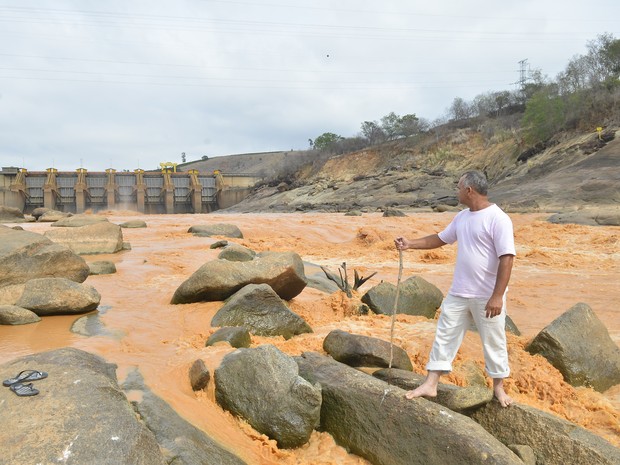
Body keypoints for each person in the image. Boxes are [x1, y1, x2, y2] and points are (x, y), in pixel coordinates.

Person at [394, 170, 516, 407]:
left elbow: (507, 258)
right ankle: (431, 384)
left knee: (494, 341)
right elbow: (440, 239)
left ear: (469, 190)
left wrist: (497, 296)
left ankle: (499, 389)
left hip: (486, 295)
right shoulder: (462, 217)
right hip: (459, 292)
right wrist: (410, 244)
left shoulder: (498, 218)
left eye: (459, 187)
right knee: (444, 335)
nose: (457, 191)